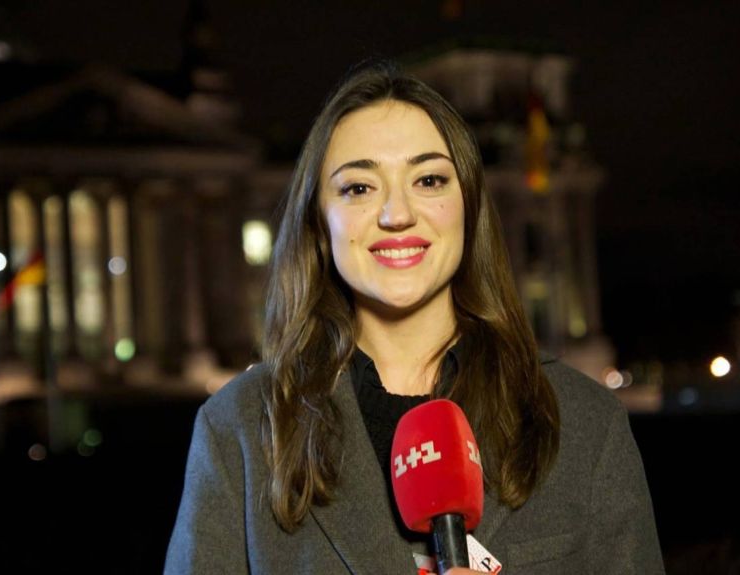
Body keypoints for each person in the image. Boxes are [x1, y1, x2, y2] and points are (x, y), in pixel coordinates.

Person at [164, 62, 664, 574]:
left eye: (428, 179)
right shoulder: (241, 431)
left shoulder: (585, 423)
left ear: (468, 206)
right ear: (319, 221)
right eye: (358, 188)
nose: (396, 214)